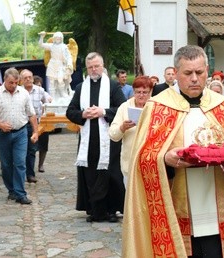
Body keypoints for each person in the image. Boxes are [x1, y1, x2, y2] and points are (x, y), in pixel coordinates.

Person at [123, 45, 224, 257]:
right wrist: (165, 159)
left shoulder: (221, 106)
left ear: (207, 71)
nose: (194, 79)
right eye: (188, 73)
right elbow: (142, 158)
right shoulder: (158, 107)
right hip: (176, 204)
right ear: (176, 72)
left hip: (217, 205)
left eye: (199, 73)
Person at [66, 52, 126, 223]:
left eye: (96, 66)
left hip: (109, 140)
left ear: (102, 65)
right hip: (89, 141)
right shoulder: (80, 88)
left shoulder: (113, 86)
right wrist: (83, 113)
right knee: (90, 175)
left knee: (111, 174)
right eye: (90, 67)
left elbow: (122, 108)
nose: (94, 69)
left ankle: (112, 210)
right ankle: (94, 210)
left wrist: (103, 112)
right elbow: (70, 111)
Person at [0, 68, 39, 205]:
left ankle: (20, 193)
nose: (13, 85)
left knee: (20, 162)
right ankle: (11, 190)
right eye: (10, 83)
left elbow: (31, 114)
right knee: (6, 165)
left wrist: (35, 132)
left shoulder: (24, 93)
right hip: (3, 134)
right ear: (4, 81)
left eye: (15, 82)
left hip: (21, 132)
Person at [109, 76, 153, 186]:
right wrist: (122, 127)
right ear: (133, 91)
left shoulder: (156, 107)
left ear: (151, 92)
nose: (141, 95)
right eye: (138, 92)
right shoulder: (124, 107)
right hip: (129, 163)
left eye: (145, 92)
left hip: (151, 163)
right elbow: (113, 134)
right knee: (130, 200)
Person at [21, 69, 51, 182]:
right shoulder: (18, 91)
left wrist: (45, 113)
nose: (28, 79)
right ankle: (21, 173)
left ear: (33, 78)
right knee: (21, 150)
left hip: (35, 124)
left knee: (32, 149)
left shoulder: (40, 90)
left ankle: (30, 174)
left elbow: (48, 101)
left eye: (30, 77)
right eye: (25, 78)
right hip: (22, 124)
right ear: (21, 80)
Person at [39, 31, 73, 100]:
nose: (58, 39)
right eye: (56, 38)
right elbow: (41, 45)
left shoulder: (64, 47)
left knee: (60, 79)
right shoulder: (51, 46)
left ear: (61, 39)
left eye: (59, 38)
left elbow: (69, 56)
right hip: (52, 64)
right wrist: (42, 37)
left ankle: (62, 93)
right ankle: (53, 97)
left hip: (61, 65)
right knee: (52, 81)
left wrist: (69, 65)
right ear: (54, 38)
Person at [34, 75, 50, 172]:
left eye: (39, 85)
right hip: (32, 122)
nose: (38, 87)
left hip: (43, 122)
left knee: (43, 145)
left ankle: (41, 165)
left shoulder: (43, 93)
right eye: (36, 85)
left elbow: (49, 100)